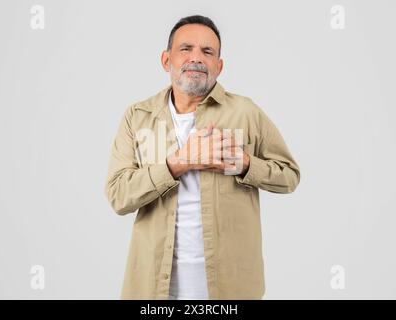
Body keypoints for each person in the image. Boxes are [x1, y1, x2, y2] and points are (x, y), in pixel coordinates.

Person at [104, 15, 301, 300]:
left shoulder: (246, 113)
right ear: (166, 60)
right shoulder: (138, 117)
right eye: (186, 49)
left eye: (207, 52)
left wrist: (246, 164)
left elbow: (289, 175)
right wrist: (179, 163)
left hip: (231, 287)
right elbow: (118, 195)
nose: (196, 58)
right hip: (152, 286)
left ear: (219, 66)